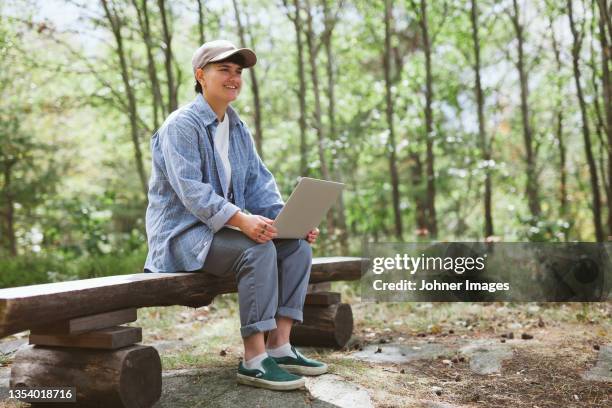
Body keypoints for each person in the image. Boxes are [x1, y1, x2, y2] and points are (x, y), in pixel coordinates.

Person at [144, 40, 326, 391]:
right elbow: (192, 192)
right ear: (201, 76)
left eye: (238, 72)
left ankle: (280, 346)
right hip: (183, 237)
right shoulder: (181, 125)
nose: (233, 78)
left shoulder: (237, 128)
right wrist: (242, 220)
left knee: (295, 248)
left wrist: (292, 223)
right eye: (223, 70)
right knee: (257, 250)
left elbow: (259, 185)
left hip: (222, 234)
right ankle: (254, 360)